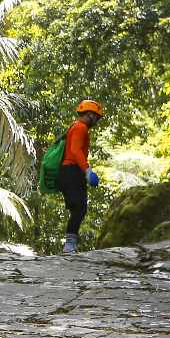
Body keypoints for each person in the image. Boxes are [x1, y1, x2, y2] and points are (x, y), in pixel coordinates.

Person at [58, 99, 104, 254]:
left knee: (79, 208)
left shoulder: (77, 127)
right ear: (89, 114)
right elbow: (75, 150)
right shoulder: (80, 127)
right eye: (96, 117)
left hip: (71, 171)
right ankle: (69, 245)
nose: (97, 120)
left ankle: (70, 244)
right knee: (79, 208)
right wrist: (87, 171)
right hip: (71, 170)